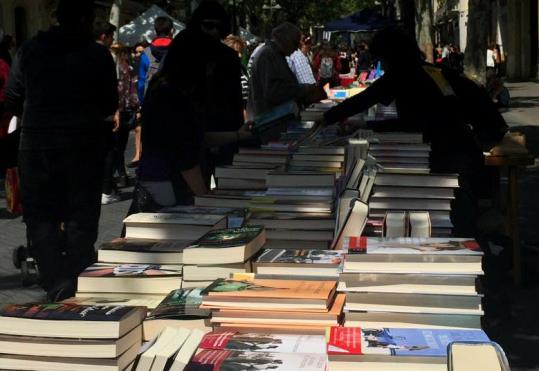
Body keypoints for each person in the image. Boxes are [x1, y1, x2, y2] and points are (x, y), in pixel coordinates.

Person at [323, 27, 507, 237]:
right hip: (462, 149)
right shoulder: (432, 70)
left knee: (455, 218)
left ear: (391, 54)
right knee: (459, 217)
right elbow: (415, 119)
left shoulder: (402, 74)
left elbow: (366, 100)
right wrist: (366, 126)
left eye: (382, 58)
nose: (382, 64)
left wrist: (327, 118)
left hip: (447, 154)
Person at [5, 0, 118, 301]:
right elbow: (109, 103)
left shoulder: (30, 49)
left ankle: (55, 278)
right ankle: (76, 274)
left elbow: (12, 96)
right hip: (83, 144)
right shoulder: (97, 54)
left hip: (38, 144)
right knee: (81, 213)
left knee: (40, 215)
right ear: (86, 20)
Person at [129, 29, 250, 213]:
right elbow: (184, 151)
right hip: (166, 183)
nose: (211, 70)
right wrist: (206, 199)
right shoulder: (173, 94)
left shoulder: (168, 88)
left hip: (164, 180)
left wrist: (237, 135)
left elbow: (196, 137)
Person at [248, 22, 326, 119]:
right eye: (295, 43)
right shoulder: (268, 55)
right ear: (285, 39)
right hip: (268, 121)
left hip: (274, 119)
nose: (296, 48)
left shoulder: (276, 55)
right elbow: (273, 92)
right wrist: (304, 90)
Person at [130, 16, 174, 168]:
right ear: (172, 31)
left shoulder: (146, 53)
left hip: (152, 106)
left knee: (152, 144)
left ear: (155, 30)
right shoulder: (179, 50)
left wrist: (143, 103)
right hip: (175, 105)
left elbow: (141, 83)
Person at [94, 21, 122, 205]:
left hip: (85, 115)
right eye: (111, 37)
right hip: (102, 114)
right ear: (104, 36)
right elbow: (112, 88)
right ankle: (105, 190)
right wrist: (115, 111)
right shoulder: (102, 54)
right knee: (108, 153)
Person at [113, 44, 139, 188]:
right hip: (127, 110)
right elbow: (133, 90)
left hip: (117, 110)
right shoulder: (130, 69)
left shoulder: (116, 69)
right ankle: (122, 174)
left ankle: (119, 175)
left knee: (114, 146)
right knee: (121, 146)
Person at [224, 34, 249, 110]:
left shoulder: (242, 69)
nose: (240, 55)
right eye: (237, 52)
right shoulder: (221, 73)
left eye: (241, 51)